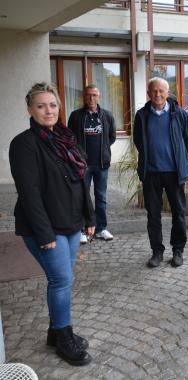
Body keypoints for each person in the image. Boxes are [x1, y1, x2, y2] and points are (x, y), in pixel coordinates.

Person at [9, 82, 95, 366]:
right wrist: (45, 235)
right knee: (61, 280)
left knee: (63, 280)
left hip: (70, 223)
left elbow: (83, 179)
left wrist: (90, 218)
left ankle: (54, 331)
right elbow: (30, 193)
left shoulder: (65, 137)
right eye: (41, 105)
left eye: (53, 105)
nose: (48, 110)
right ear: (30, 110)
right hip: (45, 229)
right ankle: (64, 338)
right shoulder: (24, 144)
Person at [133, 77, 188, 268]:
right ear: (149, 93)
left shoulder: (179, 114)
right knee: (153, 214)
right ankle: (157, 252)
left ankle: (178, 251)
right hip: (151, 172)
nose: (158, 94)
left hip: (174, 172)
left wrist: (177, 158)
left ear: (168, 93)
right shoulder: (142, 115)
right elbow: (138, 141)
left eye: (161, 91)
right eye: (154, 91)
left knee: (178, 212)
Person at [68, 84, 116, 244]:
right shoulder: (75, 116)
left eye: (94, 95)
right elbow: (70, 138)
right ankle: (83, 229)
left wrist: (103, 152)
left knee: (101, 197)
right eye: (88, 95)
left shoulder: (107, 116)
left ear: (99, 97)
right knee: (81, 197)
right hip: (82, 165)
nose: (91, 98)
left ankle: (101, 228)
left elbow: (112, 137)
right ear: (84, 97)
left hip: (102, 164)